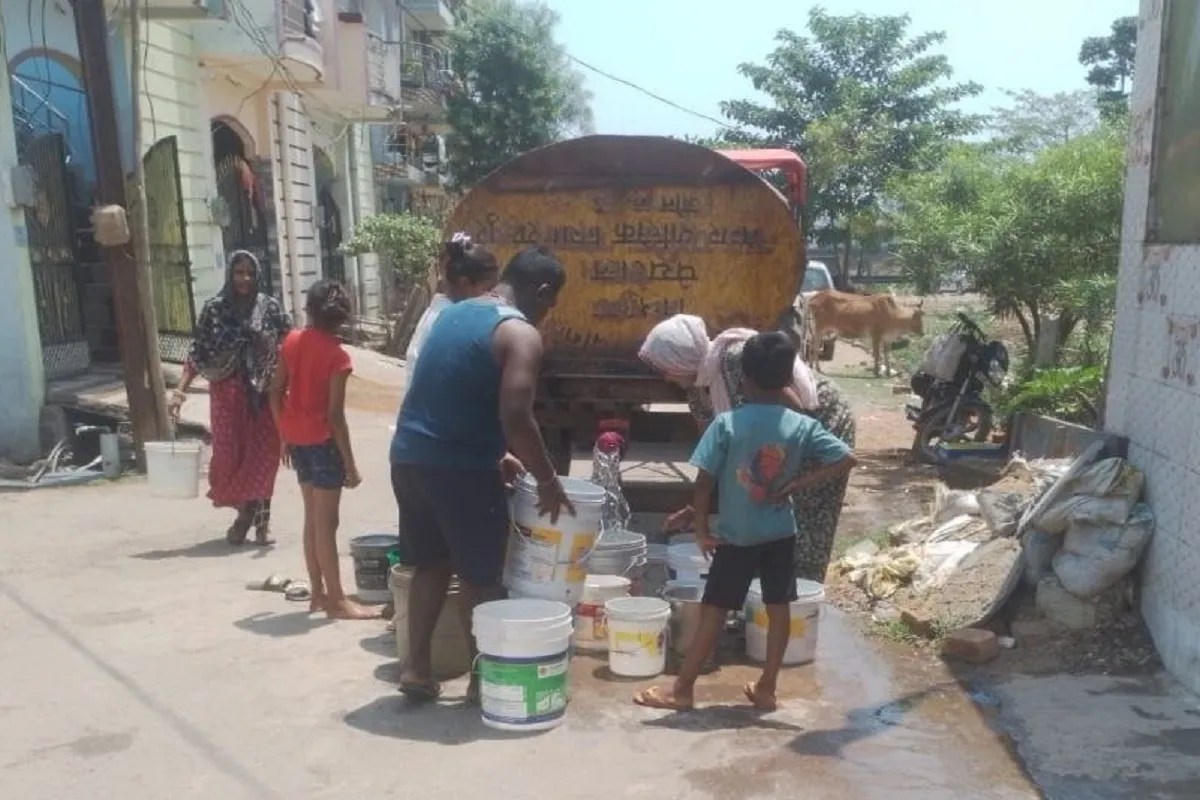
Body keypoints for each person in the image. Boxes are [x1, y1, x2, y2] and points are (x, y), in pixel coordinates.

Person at [634, 332, 856, 712]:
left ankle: (682, 689)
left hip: (737, 538)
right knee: (779, 607)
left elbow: (703, 483)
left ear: (744, 379)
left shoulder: (728, 424)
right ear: (789, 380)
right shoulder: (801, 425)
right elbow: (846, 458)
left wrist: (702, 530)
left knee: (715, 609)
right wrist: (795, 485)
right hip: (781, 534)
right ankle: (767, 687)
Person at [390, 245, 573, 702]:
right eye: (550, 303)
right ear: (542, 290)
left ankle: (415, 668)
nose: (547, 314)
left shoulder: (456, 312)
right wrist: (548, 480)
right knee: (481, 575)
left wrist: (497, 455)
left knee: (431, 563)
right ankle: (482, 680)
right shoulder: (520, 334)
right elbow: (517, 416)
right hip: (457, 469)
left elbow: (452, 389)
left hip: (410, 457)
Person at [639, 313, 857, 582]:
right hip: (778, 440)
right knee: (763, 509)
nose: (665, 377)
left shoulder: (734, 359)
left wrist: (789, 475)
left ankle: (797, 600)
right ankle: (764, 599)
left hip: (820, 420)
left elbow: (795, 412)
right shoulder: (698, 390)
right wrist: (697, 510)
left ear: (679, 356)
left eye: (665, 367)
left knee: (802, 518)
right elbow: (713, 459)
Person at [269, 280, 374, 621]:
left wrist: (284, 431)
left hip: (297, 440)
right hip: (323, 442)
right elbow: (335, 417)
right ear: (343, 317)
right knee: (327, 523)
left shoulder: (293, 340)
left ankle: (318, 593)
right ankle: (337, 601)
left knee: (311, 518)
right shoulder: (338, 357)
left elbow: (274, 392)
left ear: (309, 309)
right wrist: (351, 464)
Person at [170, 250, 291, 546]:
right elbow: (197, 354)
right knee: (227, 459)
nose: (245, 279)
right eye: (239, 272)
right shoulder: (214, 310)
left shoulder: (271, 308)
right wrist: (179, 392)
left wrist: (293, 386)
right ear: (230, 274)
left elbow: (289, 346)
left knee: (263, 458)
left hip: (262, 395)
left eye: (250, 273)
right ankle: (246, 510)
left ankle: (259, 523)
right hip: (227, 395)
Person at [405, 232, 500, 380]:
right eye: (487, 289)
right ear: (464, 283)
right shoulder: (452, 320)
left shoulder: (438, 311)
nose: (492, 295)